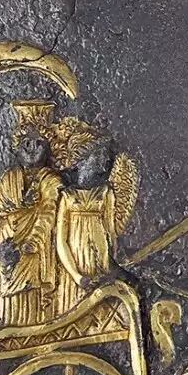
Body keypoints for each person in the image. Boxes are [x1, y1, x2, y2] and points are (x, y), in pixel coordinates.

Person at [53, 120, 140, 316]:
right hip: (75, 266)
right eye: (99, 155)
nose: (104, 162)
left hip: (100, 261)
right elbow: (61, 241)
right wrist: (76, 276)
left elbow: (110, 234)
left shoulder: (105, 193)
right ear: (83, 159)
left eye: (105, 157)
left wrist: (112, 267)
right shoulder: (67, 197)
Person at [0, 101, 65, 326]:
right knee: (9, 305)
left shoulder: (51, 181)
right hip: (9, 249)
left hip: (37, 251)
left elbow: (49, 213)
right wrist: (21, 205)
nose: (32, 148)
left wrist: (32, 242)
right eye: (26, 143)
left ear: (48, 149)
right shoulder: (8, 180)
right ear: (16, 148)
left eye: (39, 143)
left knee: (34, 302)